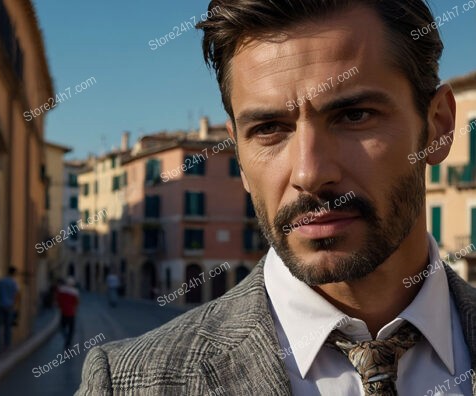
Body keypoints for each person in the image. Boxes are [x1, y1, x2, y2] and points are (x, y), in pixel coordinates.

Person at [78, 1, 476, 395]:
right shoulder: (128, 383)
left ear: (437, 127)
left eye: (354, 115)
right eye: (269, 128)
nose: (309, 174)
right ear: (238, 156)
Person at [0, 266, 19, 353]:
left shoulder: (1, 281)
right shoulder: (14, 283)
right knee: (8, 327)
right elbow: (16, 295)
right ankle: (7, 345)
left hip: (0, 305)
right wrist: (15, 305)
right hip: (9, 306)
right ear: (14, 273)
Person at [56, 277, 80, 350]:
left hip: (63, 312)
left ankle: (66, 338)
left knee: (62, 327)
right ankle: (68, 341)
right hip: (71, 312)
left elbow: (58, 300)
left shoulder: (61, 290)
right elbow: (77, 302)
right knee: (71, 329)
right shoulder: (75, 292)